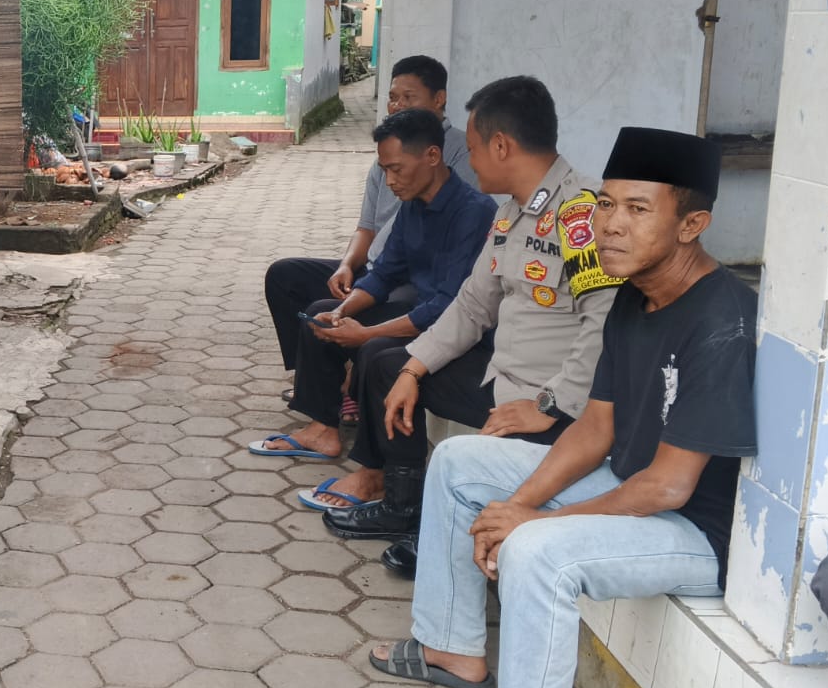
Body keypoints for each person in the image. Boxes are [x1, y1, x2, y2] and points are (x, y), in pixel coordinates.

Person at [370, 126, 756, 688]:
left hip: (693, 531)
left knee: (538, 553)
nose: (610, 224)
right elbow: (595, 430)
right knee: (460, 462)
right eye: (606, 204)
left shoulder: (722, 318)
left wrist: (531, 525)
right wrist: (516, 503)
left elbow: (670, 487)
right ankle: (452, 647)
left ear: (692, 225)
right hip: (628, 481)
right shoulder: (633, 297)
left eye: (638, 210)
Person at [319, 77, 622, 580]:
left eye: (475, 148)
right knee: (388, 367)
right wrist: (413, 370)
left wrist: (549, 405)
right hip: (502, 383)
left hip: (554, 406)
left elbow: (604, 324)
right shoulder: (511, 214)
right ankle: (402, 506)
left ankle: (440, 534)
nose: (470, 160)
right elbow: (473, 304)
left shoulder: (580, 215)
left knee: (407, 384)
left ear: (501, 146)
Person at [249, 108, 495, 459]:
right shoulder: (412, 205)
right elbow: (383, 274)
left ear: (432, 156)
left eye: (396, 169)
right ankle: (323, 430)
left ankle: (374, 468)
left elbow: (448, 307)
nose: (390, 181)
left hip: (455, 329)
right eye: (384, 170)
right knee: (321, 315)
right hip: (423, 312)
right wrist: (342, 311)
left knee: (375, 351)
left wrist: (365, 334)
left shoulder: (474, 212)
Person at [263, 55, 479, 400]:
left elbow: (444, 297)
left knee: (369, 336)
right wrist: (347, 267)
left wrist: (364, 328)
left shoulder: (461, 169)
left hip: (414, 281)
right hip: (381, 268)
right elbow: (368, 229)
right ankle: (316, 382)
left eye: (408, 97)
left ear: (439, 100)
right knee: (289, 280)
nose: (397, 105)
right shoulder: (391, 161)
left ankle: (343, 386)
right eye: (393, 97)